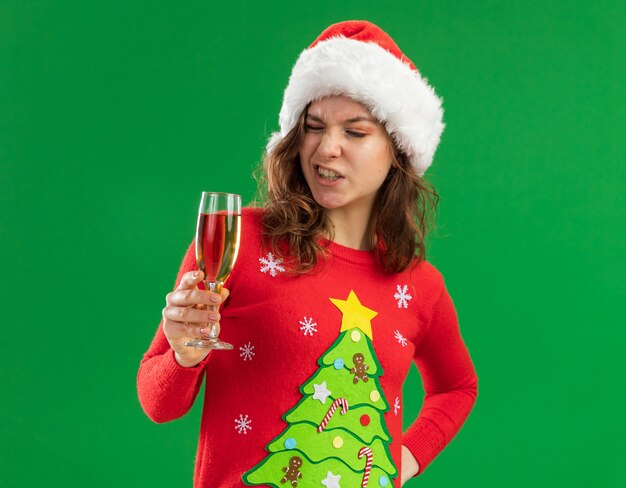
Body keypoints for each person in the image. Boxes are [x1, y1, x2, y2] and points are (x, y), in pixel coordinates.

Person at [137, 20, 478, 487]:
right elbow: (159, 404)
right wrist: (184, 354)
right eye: (314, 127)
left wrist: (405, 458)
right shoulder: (239, 240)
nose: (327, 148)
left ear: (397, 150)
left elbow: (458, 387)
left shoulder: (419, 285)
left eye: (355, 133)